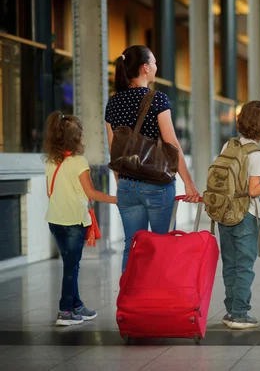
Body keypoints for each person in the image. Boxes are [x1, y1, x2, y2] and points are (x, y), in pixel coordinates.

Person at [105, 45, 200, 273]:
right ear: (145, 68)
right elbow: (172, 145)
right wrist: (188, 181)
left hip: (127, 184)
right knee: (164, 245)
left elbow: (114, 150)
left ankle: (128, 302)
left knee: (132, 246)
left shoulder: (113, 102)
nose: (157, 67)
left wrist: (122, 184)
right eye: (154, 63)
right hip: (157, 184)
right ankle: (161, 300)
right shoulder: (157, 99)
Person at [218, 101, 260, 330]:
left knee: (229, 264)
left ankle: (230, 311)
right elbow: (253, 189)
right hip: (245, 215)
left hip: (223, 212)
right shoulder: (256, 154)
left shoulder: (228, 145)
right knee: (244, 266)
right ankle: (240, 314)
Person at [43, 112, 117, 326]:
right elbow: (92, 193)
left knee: (70, 265)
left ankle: (76, 306)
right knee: (71, 267)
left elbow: (50, 192)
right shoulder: (78, 162)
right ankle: (65, 312)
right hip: (74, 221)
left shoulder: (51, 161)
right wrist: (117, 199)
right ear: (75, 138)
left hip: (55, 220)